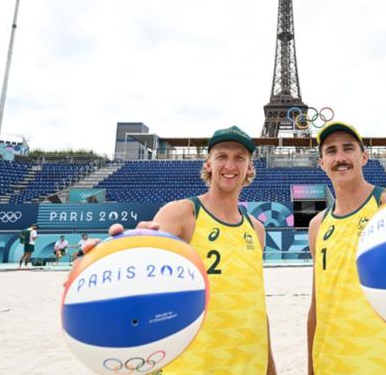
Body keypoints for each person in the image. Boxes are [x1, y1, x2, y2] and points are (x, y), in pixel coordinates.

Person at [78, 126, 277, 374]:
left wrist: (270, 365)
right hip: (195, 365)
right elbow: (138, 269)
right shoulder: (183, 213)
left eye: (239, 157)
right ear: (208, 164)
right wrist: (108, 257)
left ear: (249, 167)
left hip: (251, 363)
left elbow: (256, 305)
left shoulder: (256, 228)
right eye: (222, 156)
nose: (230, 164)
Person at [307, 122, 386, 374]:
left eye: (348, 148)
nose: (340, 158)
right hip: (332, 361)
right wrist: (311, 367)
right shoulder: (317, 224)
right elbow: (317, 304)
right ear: (321, 162)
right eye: (331, 151)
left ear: (364, 156)